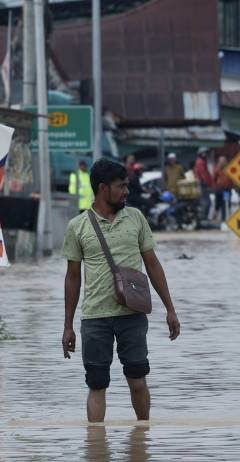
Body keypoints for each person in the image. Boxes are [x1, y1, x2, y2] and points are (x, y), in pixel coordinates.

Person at [61, 159, 181, 423]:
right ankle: (96, 450)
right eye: (121, 186)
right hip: (94, 318)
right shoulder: (78, 227)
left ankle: (143, 438)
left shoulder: (136, 218)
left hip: (132, 314)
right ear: (103, 189)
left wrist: (170, 310)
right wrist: (68, 325)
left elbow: (153, 264)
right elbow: (72, 278)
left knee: (138, 380)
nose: (127, 191)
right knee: (97, 384)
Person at [193, 148, 214, 222]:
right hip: (203, 184)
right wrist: (208, 183)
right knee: (206, 202)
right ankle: (203, 218)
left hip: (204, 184)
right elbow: (203, 174)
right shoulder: (200, 162)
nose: (206, 155)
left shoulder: (202, 162)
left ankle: (204, 217)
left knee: (207, 202)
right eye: (204, 153)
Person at [212, 155, 232, 222]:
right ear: (219, 161)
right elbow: (214, 178)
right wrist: (215, 186)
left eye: (224, 160)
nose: (223, 162)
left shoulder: (229, 168)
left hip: (227, 189)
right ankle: (215, 217)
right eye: (222, 161)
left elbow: (232, 178)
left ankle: (224, 218)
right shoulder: (217, 168)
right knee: (217, 204)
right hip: (219, 189)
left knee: (226, 203)